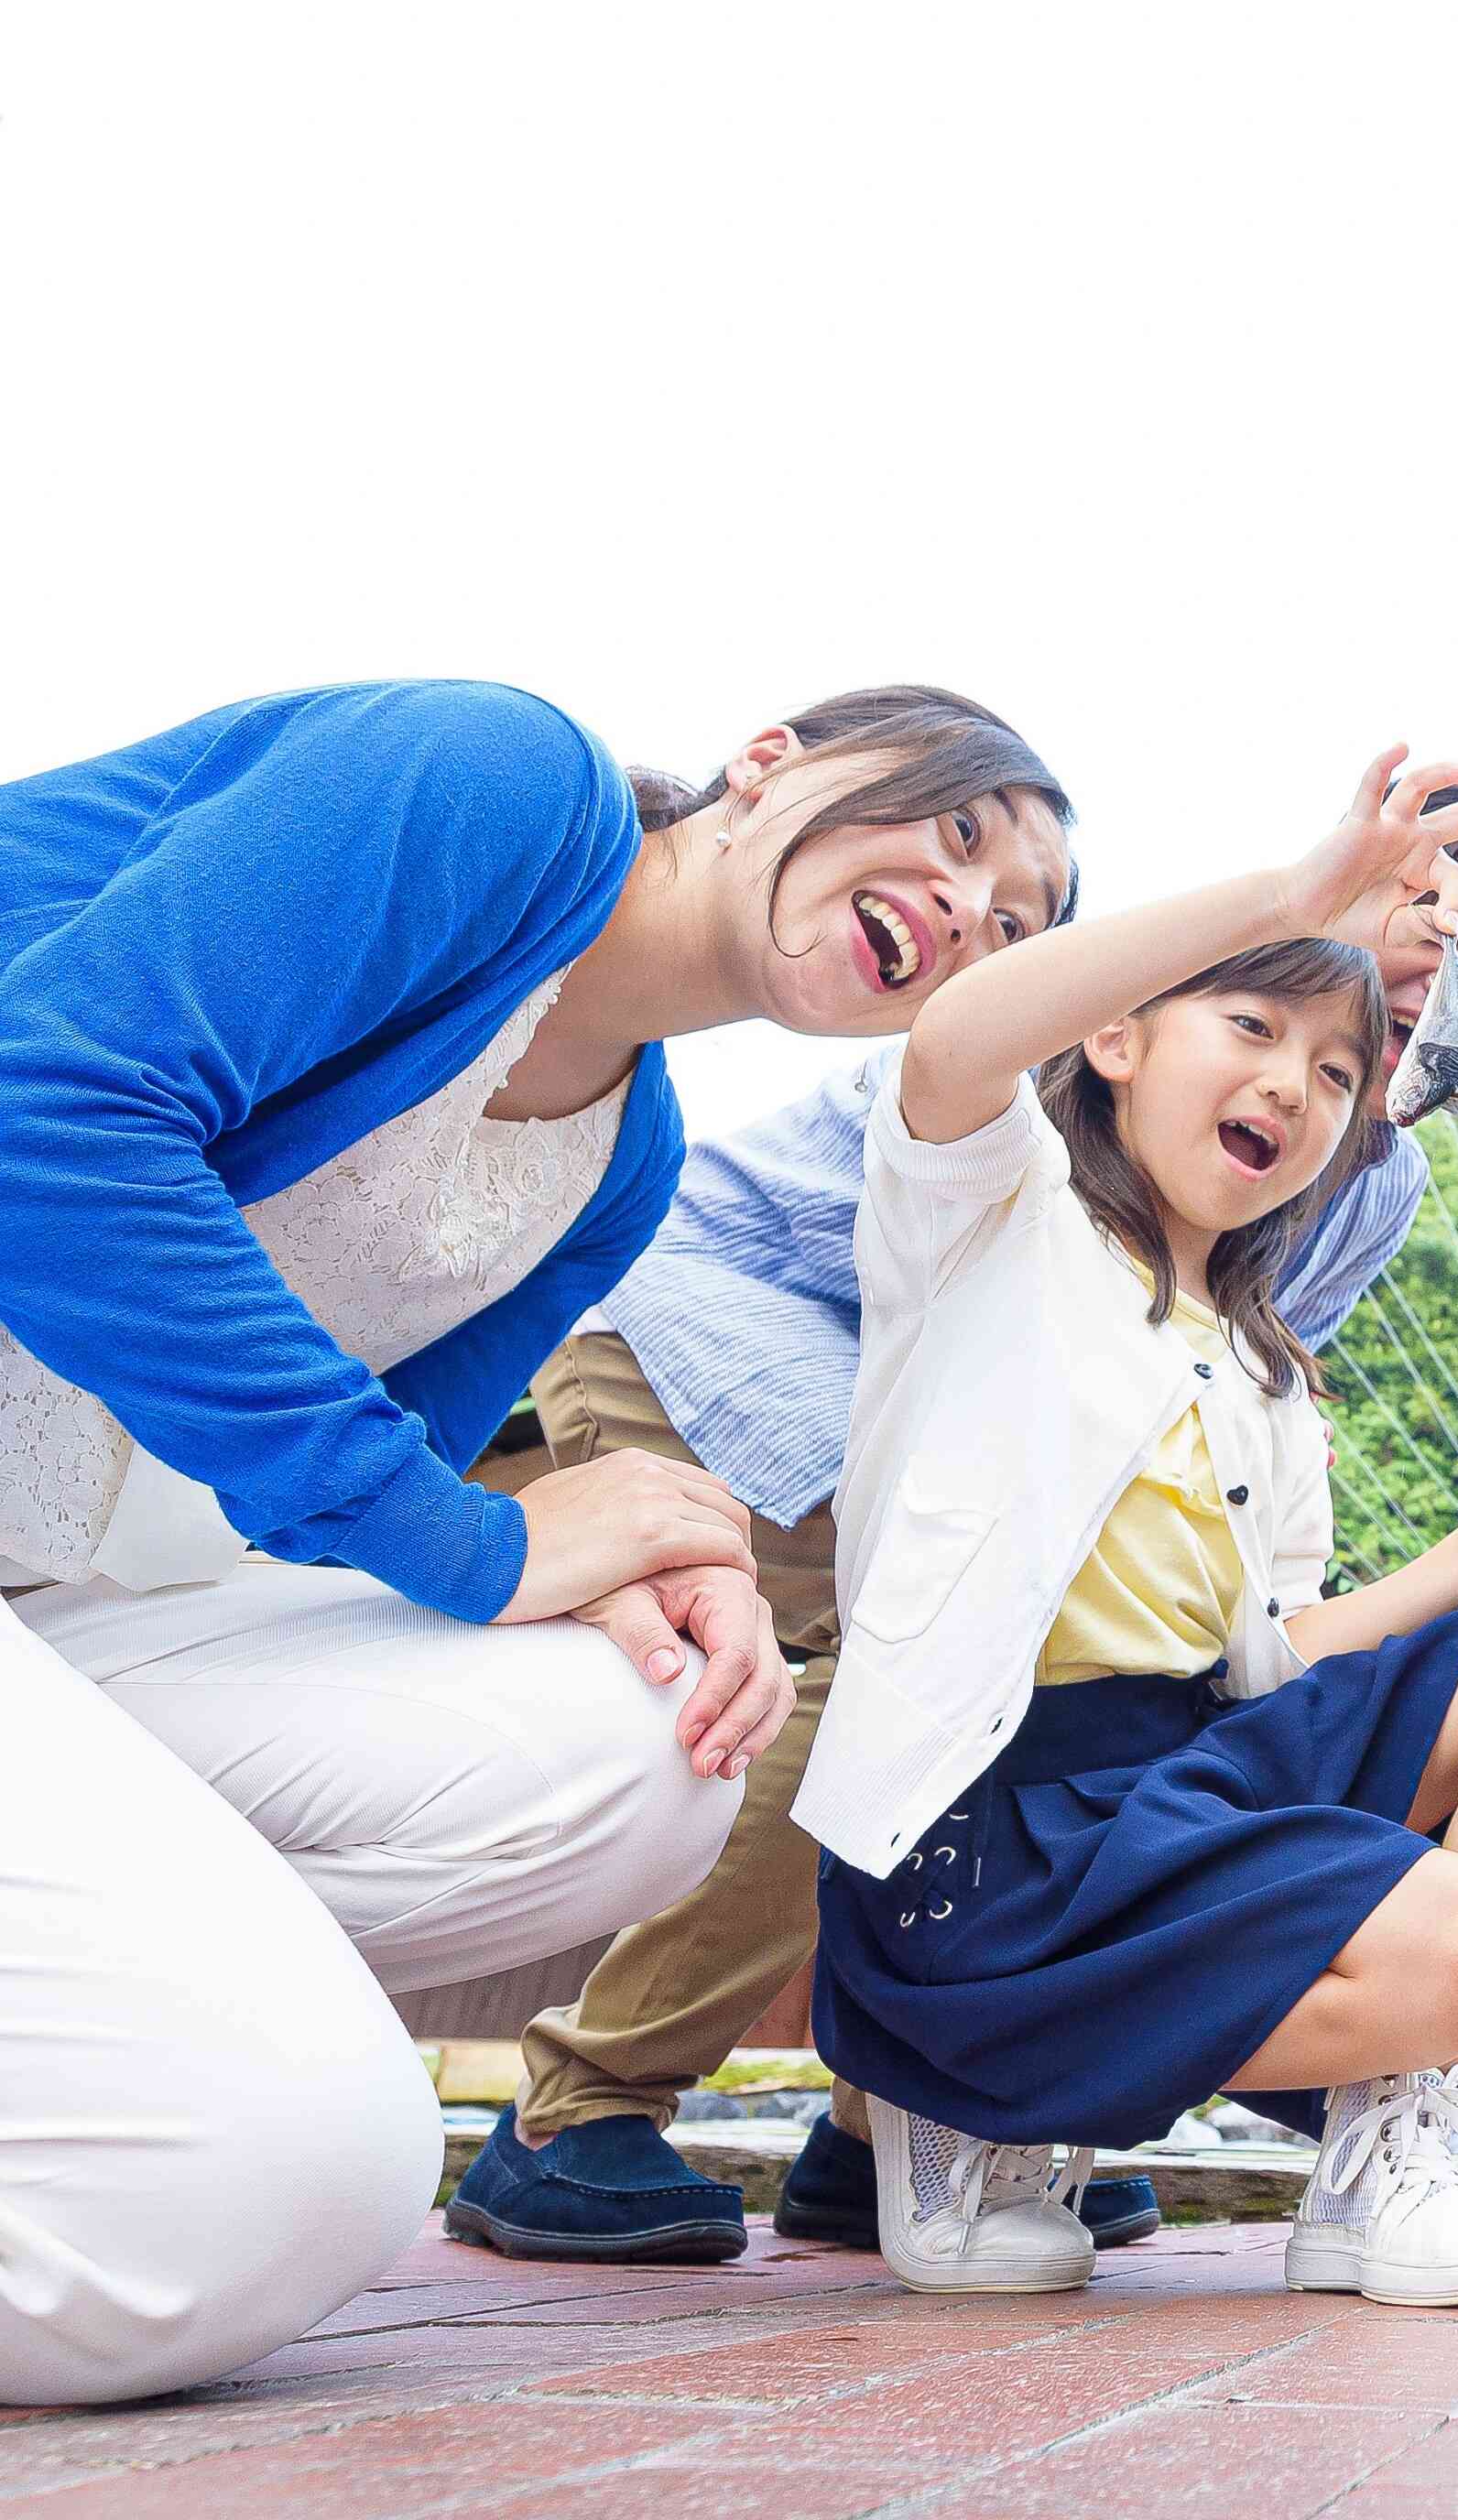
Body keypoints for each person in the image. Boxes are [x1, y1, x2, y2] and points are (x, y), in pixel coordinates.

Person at [0, 678, 1075, 2404]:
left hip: (64, 1597)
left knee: (653, 1753)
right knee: (271, 2182)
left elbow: (361, 1506)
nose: (968, 907)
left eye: (1013, 924)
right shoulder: (504, 785)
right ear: (773, 757)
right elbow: (37, 1110)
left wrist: (617, 1571)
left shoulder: (623, 1161)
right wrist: (486, 1546)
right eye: (957, 831)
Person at [443, 794, 1458, 2265]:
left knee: (1041, 1623)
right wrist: (1285, 904)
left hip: (1018, 1425)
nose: (1452, 968)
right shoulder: (1045, 1132)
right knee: (885, 1667)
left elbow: (1198, 1452)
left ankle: (926, 2122)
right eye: (1437, 910)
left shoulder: (1352, 1181)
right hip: (723, 1315)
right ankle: (590, 2098)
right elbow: (962, 1082)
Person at [789, 750, 1458, 2301]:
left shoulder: (1270, 1371)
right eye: (1251, 1026)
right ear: (1114, 1035)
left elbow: (1268, 1658)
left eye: (1339, 1070)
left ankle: (1390, 2126)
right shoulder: (997, 1217)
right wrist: (1297, 897)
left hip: (1181, 1779)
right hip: (992, 1838)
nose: (1294, 1085)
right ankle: (970, 2098)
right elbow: (958, 1035)